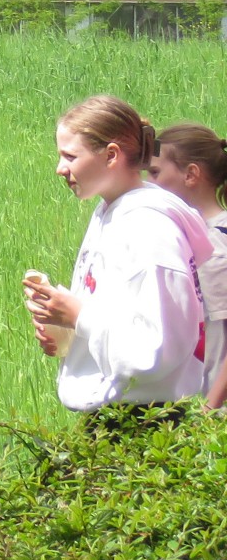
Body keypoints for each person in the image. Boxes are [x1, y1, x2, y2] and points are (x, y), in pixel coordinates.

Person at [27, 96, 215, 423]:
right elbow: (119, 314)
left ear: (111, 155)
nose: (60, 168)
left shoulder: (149, 228)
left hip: (144, 425)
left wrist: (79, 316)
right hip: (115, 418)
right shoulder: (110, 213)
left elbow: (156, 349)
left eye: (70, 156)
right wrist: (65, 331)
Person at [150, 124, 227, 396]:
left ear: (191, 174)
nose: (149, 183)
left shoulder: (215, 246)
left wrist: (210, 410)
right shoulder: (196, 235)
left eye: (155, 173)